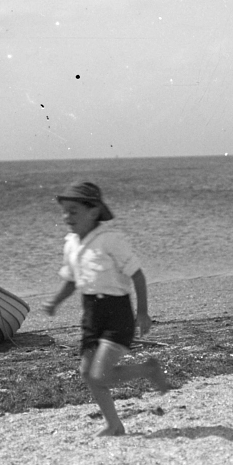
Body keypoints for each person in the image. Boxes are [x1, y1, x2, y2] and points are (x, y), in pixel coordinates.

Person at [42, 181, 171, 436]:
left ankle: (149, 369)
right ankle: (114, 424)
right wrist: (55, 301)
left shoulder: (111, 240)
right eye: (65, 211)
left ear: (93, 212)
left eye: (74, 211)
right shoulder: (71, 244)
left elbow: (138, 276)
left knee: (100, 374)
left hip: (117, 314)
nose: (67, 217)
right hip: (91, 315)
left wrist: (142, 313)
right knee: (87, 374)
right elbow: (71, 280)